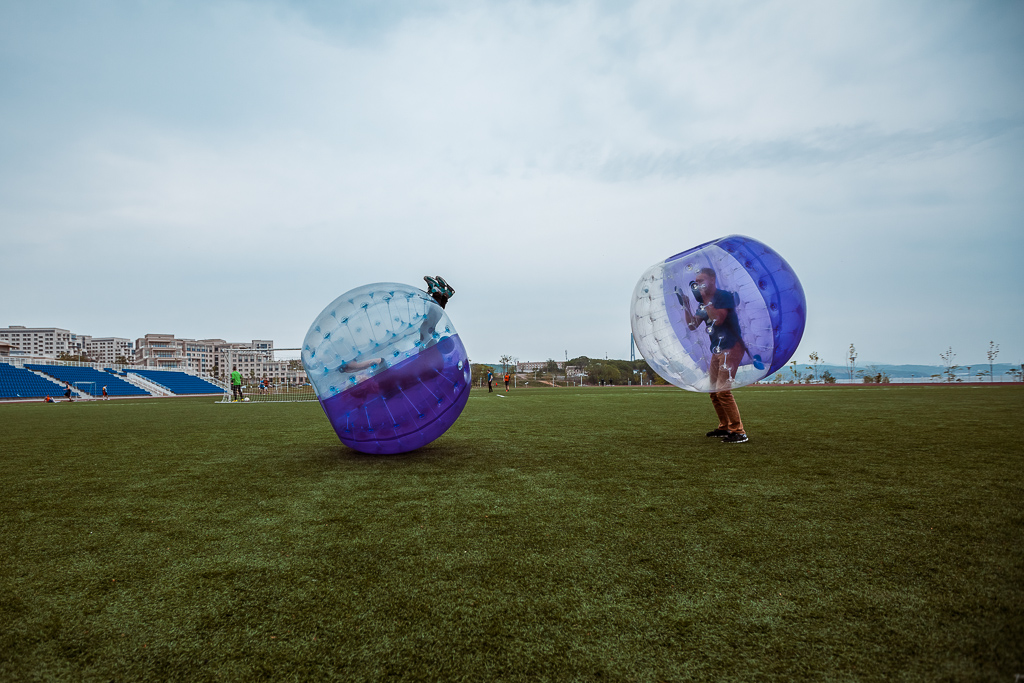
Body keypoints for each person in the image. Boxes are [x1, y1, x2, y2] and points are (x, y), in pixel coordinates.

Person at [677, 267, 749, 444]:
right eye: (697, 282)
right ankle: (724, 426)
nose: (698, 284)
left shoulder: (722, 297)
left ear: (712, 280)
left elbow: (718, 318)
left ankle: (738, 431)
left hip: (731, 347)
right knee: (713, 392)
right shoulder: (704, 302)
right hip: (717, 349)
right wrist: (686, 305)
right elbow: (693, 325)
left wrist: (706, 298)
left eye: (702, 281)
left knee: (723, 391)